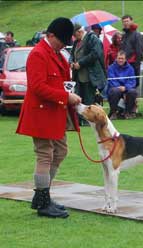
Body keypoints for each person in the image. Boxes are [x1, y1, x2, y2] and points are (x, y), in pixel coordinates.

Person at [16, 17, 81, 218]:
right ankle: (43, 202)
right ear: (50, 35)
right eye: (60, 40)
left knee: (60, 151)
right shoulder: (38, 54)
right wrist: (66, 96)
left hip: (56, 111)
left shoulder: (57, 54)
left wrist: (69, 93)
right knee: (45, 154)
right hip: (42, 112)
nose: (62, 45)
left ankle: (43, 195)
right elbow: (37, 87)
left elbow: (61, 81)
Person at [69, 24, 107, 125]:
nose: (74, 37)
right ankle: (80, 120)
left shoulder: (93, 39)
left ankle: (89, 121)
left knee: (89, 100)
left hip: (91, 76)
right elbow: (72, 54)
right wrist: (71, 62)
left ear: (79, 32)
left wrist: (80, 63)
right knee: (79, 99)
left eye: (75, 35)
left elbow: (95, 54)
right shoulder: (76, 42)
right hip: (79, 76)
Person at [107, 50, 137, 120]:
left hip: (126, 88)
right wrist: (119, 87)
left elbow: (132, 81)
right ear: (116, 58)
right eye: (119, 58)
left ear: (125, 59)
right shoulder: (111, 67)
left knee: (133, 92)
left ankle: (127, 112)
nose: (120, 60)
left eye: (122, 58)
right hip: (115, 88)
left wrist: (125, 87)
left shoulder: (130, 68)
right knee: (115, 91)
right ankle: (113, 112)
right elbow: (111, 79)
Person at [120, 15, 143, 87]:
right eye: (124, 22)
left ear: (131, 21)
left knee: (132, 86)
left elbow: (139, 51)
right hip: (124, 64)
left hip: (133, 65)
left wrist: (136, 65)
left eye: (127, 21)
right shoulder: (124, 35)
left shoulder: (137, 35)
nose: (125, 23)